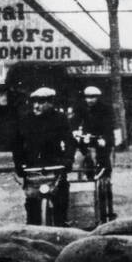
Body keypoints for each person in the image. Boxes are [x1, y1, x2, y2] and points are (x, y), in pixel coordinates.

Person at [12, 86, 71, 225]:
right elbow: (17, 145)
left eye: (41, 102)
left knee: (61, 196)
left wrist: (68, 159)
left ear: (51, 103)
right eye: (34, 102)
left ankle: (61, 225)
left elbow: (69, 141)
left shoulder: (60, 118)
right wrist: (19, 165)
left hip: (55, 163)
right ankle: (32, 229)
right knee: (32, 201)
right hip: (33, 165)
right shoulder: (26, 119)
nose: (36, 106)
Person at [71, 84, 117, 222]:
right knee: (82, 155)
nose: (90, 100)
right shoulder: (81, 108)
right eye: (87, 97)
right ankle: (88, 175)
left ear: (98, 97)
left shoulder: (106, 109)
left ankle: (105, 179)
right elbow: (74, 120)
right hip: (87, 137)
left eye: (93, 97)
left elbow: (109, 125)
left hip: (102, 138)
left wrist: (105, 138)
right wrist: (75, 131)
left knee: (104, 159)